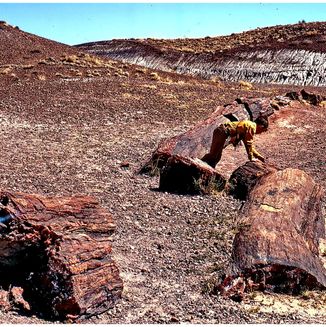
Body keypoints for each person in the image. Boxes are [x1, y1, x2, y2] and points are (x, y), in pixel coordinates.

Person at [201, 116, 269, 168]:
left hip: (222, 132)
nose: (261, 133)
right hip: (222, 131)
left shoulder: (248, 127)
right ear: (261, 126)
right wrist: (251, 158)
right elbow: (249, 144)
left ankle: (209, 170)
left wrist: (259, 157)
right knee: (213, 155)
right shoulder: (252, 127)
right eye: (263, 130)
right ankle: (198, 165)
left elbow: (248, 145)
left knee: (217, 156)